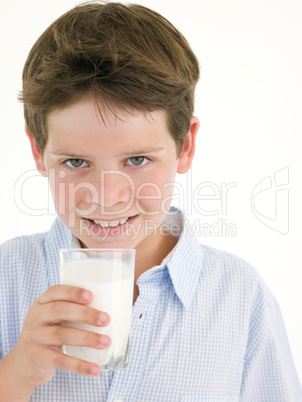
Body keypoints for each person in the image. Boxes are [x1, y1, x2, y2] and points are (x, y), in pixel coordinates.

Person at [0, 1, 301, 400]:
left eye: (137, 160)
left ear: (185, 146)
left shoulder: (240, 298)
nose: (107, 197)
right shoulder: (7, 278)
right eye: (75, 162)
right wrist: (16, 373)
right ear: (38, 151)